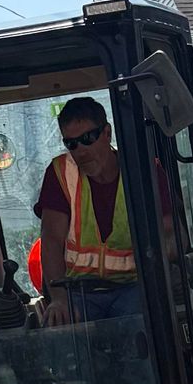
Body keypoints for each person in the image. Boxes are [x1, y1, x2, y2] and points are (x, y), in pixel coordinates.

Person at [34, 97, 139, 326]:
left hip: (133, 287)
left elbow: (172, 236)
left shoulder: (141, 170)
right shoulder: (61, 173)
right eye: (71, 143)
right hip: (79, 291)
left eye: (87, 138)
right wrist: (58, 299)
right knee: (61, 324)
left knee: (140, 323)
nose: (80, 151)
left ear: (107, 133)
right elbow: (51, 240)